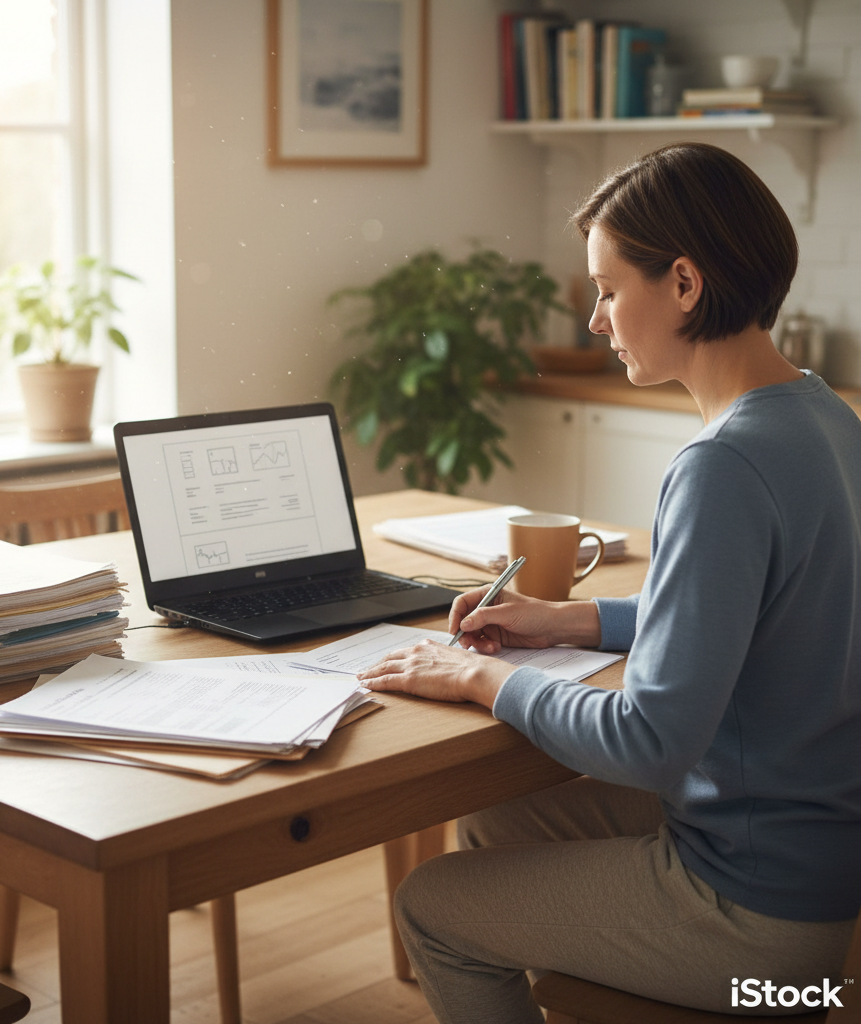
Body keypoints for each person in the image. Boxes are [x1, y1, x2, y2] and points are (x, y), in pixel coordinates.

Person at [357, 142, 861, 1021]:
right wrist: (564, 620)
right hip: (816, 855)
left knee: (431, 907)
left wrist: (485, 675)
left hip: (758, 920)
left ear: (684, 284)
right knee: (496, 826)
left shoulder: (723, 464)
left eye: (606, 289)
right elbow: (754, 615)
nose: (595, 319)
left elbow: (650, 740)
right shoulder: (826, 417)